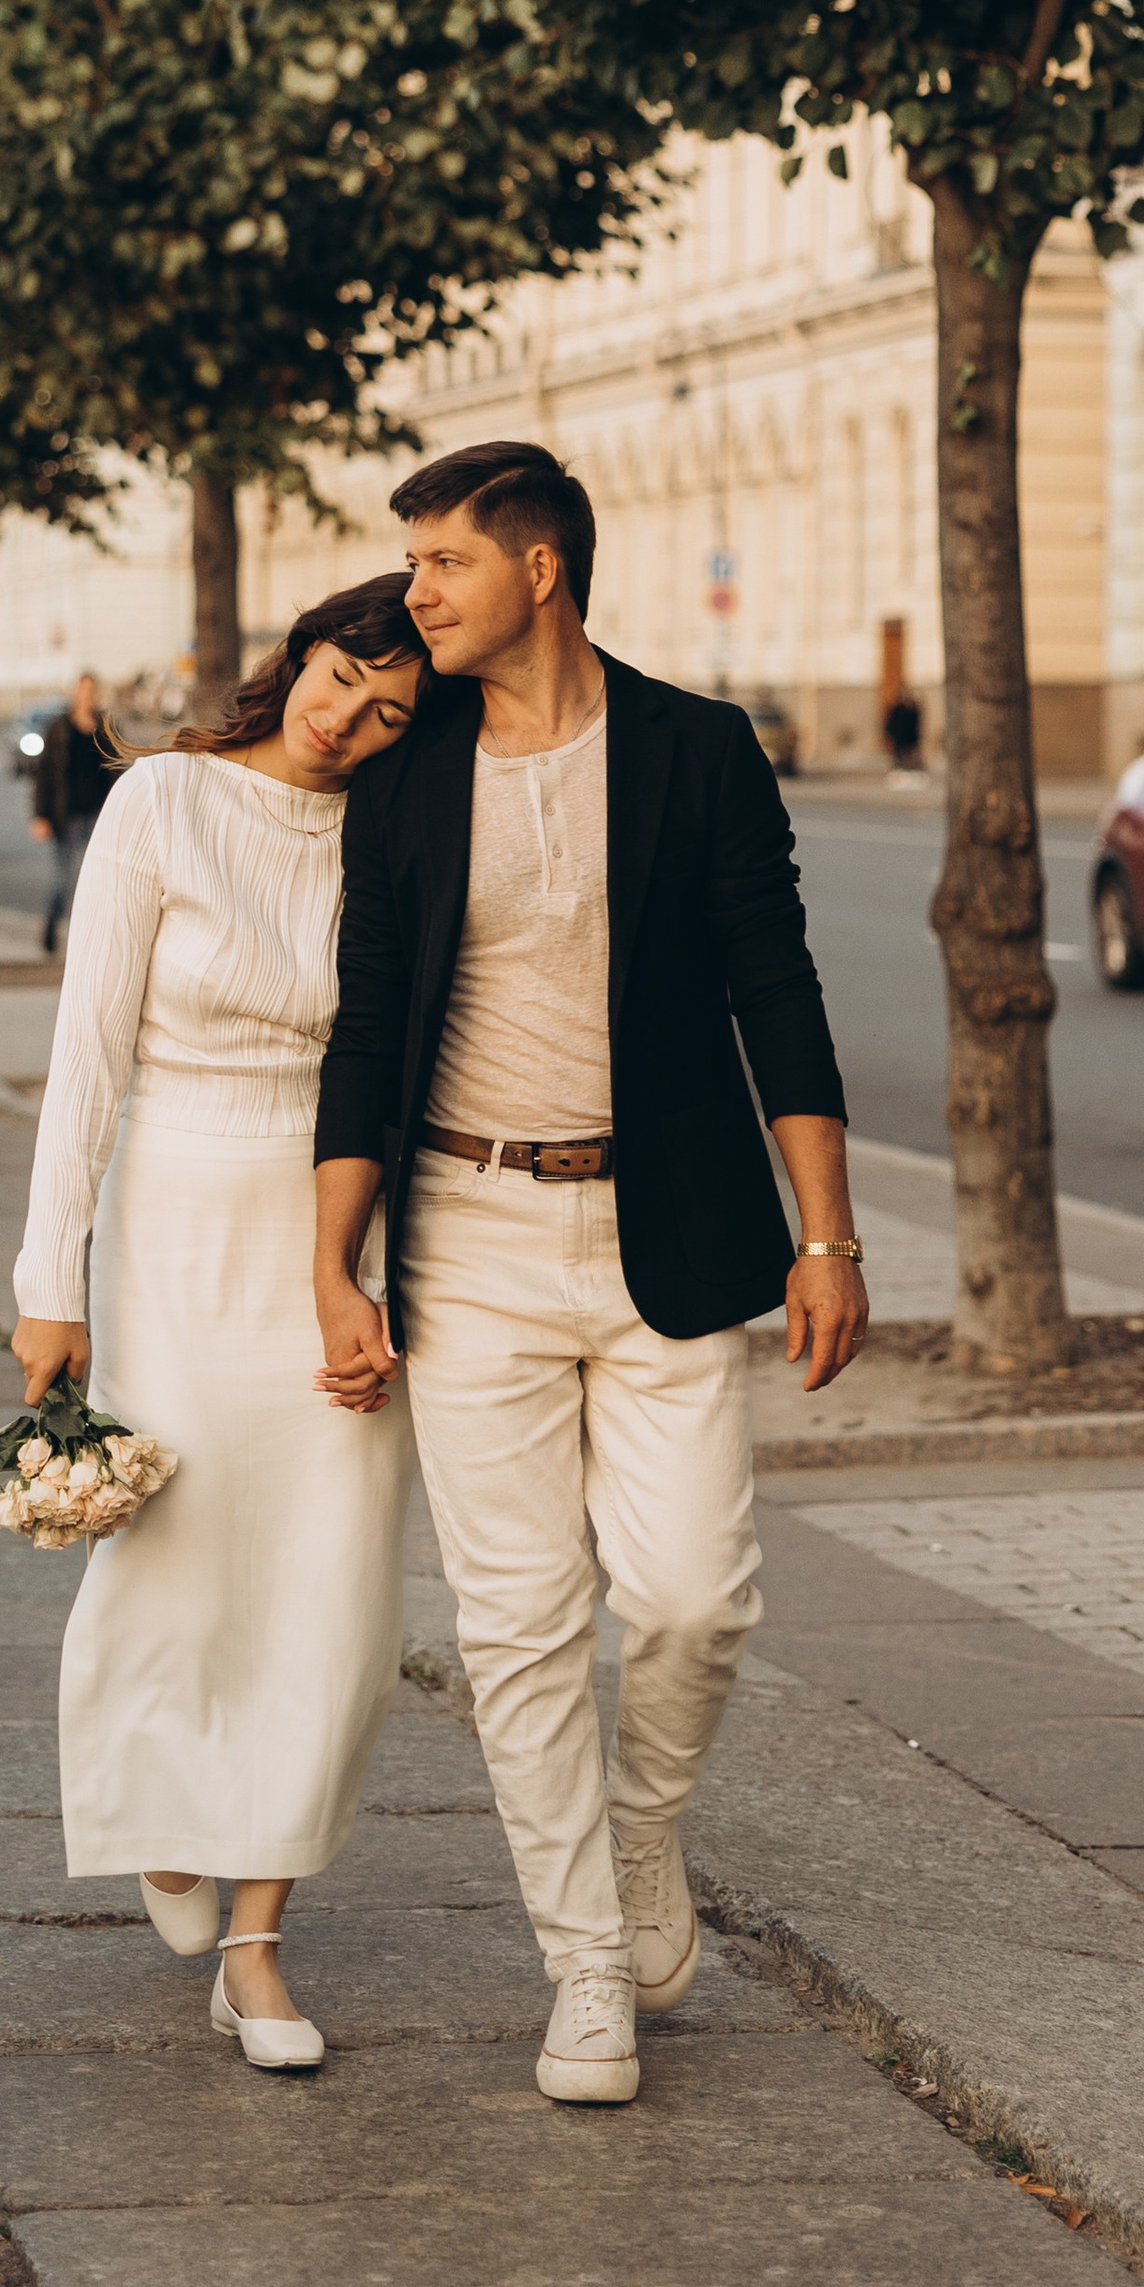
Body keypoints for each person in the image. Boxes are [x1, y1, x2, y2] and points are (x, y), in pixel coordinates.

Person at [312, 441, 866, 2112]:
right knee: (519, 1625)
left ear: (540, 570)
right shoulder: (411, 771)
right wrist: (335, 1261)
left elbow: (778, 990)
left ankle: (639, 1836)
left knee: (694, 1597)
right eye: (415, 563)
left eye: (447, 563)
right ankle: (585, 1968)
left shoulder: (696, 750)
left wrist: (826, 1233)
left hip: (667, 1229)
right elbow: (366, 1020)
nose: (418, 594)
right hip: (469, 1231)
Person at [9, 577, 430, 2072]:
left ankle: (258, 1946)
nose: (347, 719)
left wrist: (392, 1272)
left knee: (333, 1582)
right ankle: (162, 1808)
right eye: (340, 676)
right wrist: (50, 1280)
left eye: (391, 713)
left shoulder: (395, 837)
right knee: (176, 1560)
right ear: (299, 655)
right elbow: (87, 1059)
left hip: (335, 1227)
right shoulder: (163, 801)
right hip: (176, 1217)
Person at [31, 672, 123, 953]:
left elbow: (117, 770)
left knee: (94, 879)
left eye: (91, 691)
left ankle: (85, 938)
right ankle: (51, 927)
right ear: (75, 693)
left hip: (97, 815)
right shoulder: (59, 727)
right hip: (65, 815)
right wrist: (41, 815)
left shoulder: (106, 728)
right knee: (63, 879)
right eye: (83, 690)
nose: (87, 696)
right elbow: (44, 773)